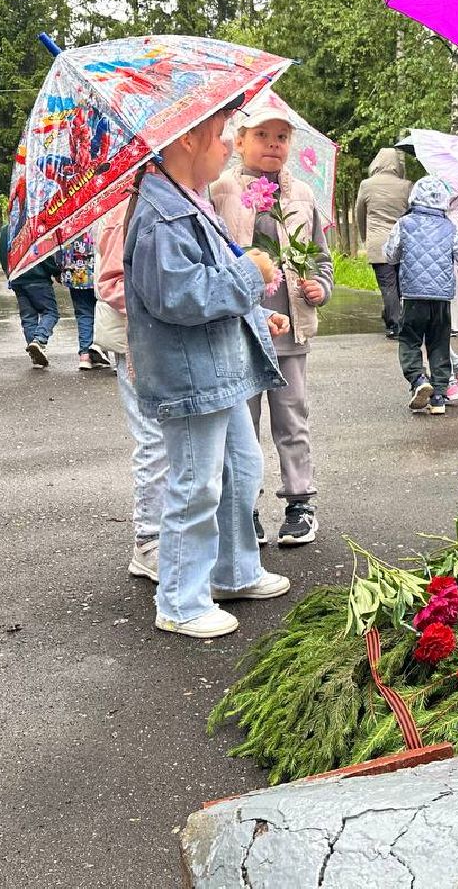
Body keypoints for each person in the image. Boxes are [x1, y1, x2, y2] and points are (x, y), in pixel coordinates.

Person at [124, 99, 292, 640]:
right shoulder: (160, 215)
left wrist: (257, 312)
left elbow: (209, 279)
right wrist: (251, 272)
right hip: (191, 376)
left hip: (220, 368)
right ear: (189, 140)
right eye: (222, 135)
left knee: (242, 473)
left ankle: (233, 570)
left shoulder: (188, 201)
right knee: (196, 484)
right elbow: (179, 295)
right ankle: (179, 598)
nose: (227, 146)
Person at [211, 97, 335, 545]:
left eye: (281, 137)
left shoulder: (302, 195)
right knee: (242, 424)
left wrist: (321, 287)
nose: (272, 144)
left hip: (292, 329)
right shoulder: (219, 191)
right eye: (261, 135)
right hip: (241, 329)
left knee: (291, 419)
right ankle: (245, 505)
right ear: (238, 140)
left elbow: (322, 258)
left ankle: (300, 503)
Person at [95, 201, 166, 582]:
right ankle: (148, 540)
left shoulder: (186, 194)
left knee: (174, 439)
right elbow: (111, 283)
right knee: (153, 437)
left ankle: (170, 531)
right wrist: (166, 300)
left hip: (169, 338)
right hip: (136, 338)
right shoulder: (127, 208)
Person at [383, 176, 458, 415]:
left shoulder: (404, 223)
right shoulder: (449, 227)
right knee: (439, 344)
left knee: (410, 340)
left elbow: (390, 255)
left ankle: (418, 380)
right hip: (442, 299)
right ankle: (438, 398)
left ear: (414, 197)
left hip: (413, 296)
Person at [355, 142, 413, 339]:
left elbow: (359, 215)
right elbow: (411, 215)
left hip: (378, 244)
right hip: (402, 243)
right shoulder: (406, 186)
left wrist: (366, 238)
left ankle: (395, 325)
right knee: (400, 284)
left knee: (388, 285)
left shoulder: (366, 185)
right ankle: (393, 316)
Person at [0, 226, 59, 366]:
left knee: (28, 317)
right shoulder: (36, 224)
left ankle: (35, 350)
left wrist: (9, 274)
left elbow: (3, 254)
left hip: (18, 278)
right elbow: (45, 254)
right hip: (38, 278)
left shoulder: (6, 229)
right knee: (50, 312)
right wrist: (55, 271)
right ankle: (39, 340)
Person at [60, 231, 111, 370]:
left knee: (83, 313)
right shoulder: (100, 213)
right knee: (105, 310)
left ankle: (85, 355)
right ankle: (101, 349)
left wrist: (61, 268)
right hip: (100, 270)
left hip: (75, 271)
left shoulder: (66, 215)